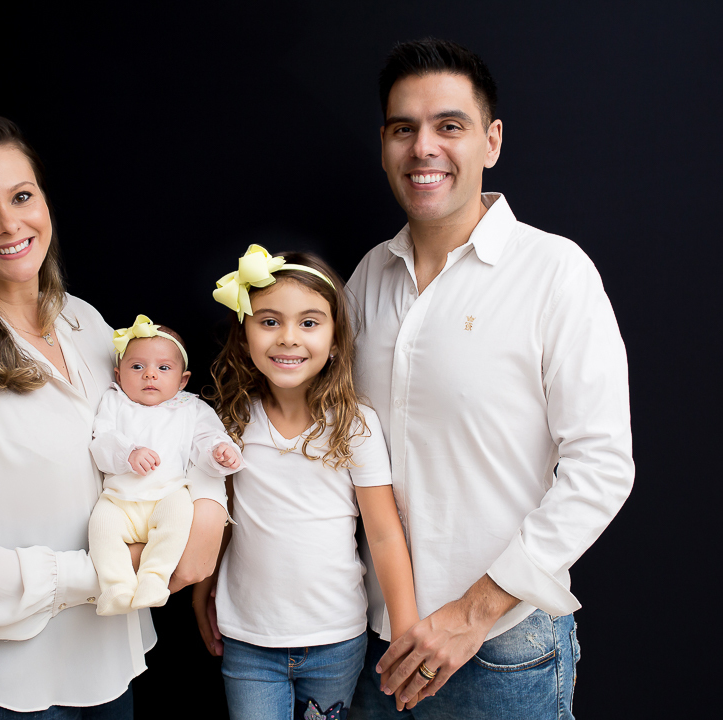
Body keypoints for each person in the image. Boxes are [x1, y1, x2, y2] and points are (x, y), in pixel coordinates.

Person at [0, 115, 227, 718]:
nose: (9, 224)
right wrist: (116, 568)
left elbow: (170, 424)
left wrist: (210, 510)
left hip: (108, 669)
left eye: (21, 196)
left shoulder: (85, 323)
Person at [345, 39, 635, 718]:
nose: (424, 148)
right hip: (369, 646)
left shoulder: (554, 272)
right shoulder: (366, 278)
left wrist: (473, 613)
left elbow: (602, 467)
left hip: (501, 650)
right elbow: (330, 442)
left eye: (449, 125)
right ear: (384, 145)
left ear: (492, 141)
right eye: (403, 129)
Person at [193, 245, 420, 720]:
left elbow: (383, 533)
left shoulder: (354, 425)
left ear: (336, 339)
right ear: (244, 335)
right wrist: (203, 587)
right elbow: (221, 516)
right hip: (249, 638)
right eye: (269, 321)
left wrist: (405, 631)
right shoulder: (230, 421)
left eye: (309, 322)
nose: (288, 338)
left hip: (335, 638)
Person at [88, 315, 244, 616]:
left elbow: (207, 439)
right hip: (118, 499)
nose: (150, 374)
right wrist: (128, 453)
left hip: (167, 495)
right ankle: (116, 587)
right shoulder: (114, 402)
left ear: (182, 380)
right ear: (119, 375)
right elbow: (102, 441)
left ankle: (154, 579)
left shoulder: (191, 408)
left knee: (178, 521)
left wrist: (220, 451)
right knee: (101, 530)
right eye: (137, 367)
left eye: (163, 368)